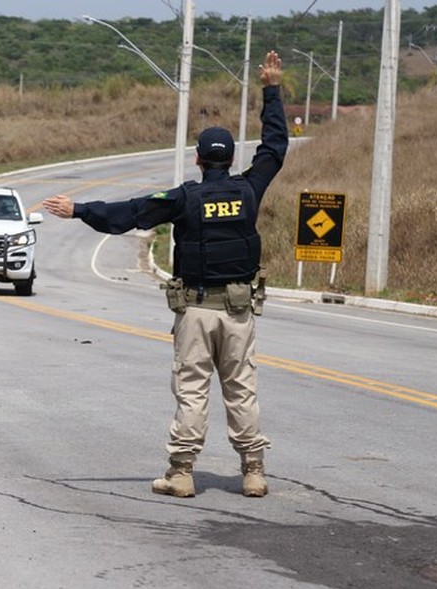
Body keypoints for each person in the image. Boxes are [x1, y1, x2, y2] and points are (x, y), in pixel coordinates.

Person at [42, 50, 288, 499]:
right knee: (242, 390)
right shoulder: (250, 189)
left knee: (193, 391)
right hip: (238, 311)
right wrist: (271, 90)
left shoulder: (182, 198)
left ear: (198, 160)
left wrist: (78, 209)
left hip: (195, 310)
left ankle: (181, 472)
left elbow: (131, 212)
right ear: (232, 159)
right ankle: (253, 472)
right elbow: (275, 148)